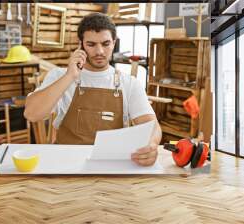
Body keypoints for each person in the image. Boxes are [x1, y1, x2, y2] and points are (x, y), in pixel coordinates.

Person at [24, 12, 162, 166]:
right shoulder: (60, 76)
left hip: (112, 166)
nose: (99, 52)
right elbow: (32, 114)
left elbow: (152, 126)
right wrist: (70, 76)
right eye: (91, 44)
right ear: (80, 44)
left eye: (105, 43)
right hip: (66, 164)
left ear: (114, 42)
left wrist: (151, 145)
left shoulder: (129, 83)